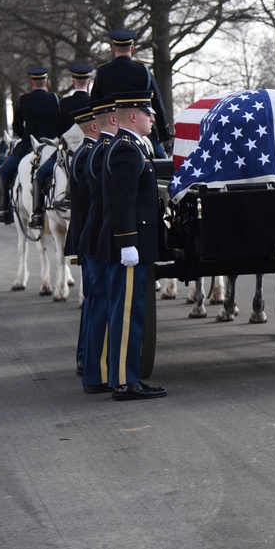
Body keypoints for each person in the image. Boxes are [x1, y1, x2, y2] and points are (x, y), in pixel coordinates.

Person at [98, 92, 166, 400]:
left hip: (134, 245)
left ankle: (126, 378)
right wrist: (127, 243)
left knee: (130, 311)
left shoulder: (132, 147)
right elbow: (121, 202)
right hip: (130, 248)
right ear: (134, 116)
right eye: (148, 113)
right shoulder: (126, 150)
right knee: (127, 313)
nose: (153, 118)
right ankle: (125, 382)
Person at [79, 97, 118, 394]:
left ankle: (94, 371)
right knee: (102, 303)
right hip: (99, 238)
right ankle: (98, 373)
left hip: (91, 236)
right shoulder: (101, 151)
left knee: (96, 303)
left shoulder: (90, 151)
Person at [89, 29, 174, 155]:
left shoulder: (102, 72)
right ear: (132, 48)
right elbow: (157, 103)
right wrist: (165, 135)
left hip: (112, 127)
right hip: (139, 127)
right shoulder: (143, 71)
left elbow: (94, 104)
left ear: (113, 49)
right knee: (163, 166)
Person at [30, 63, 94, 229]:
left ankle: (37, 214)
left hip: (68, 152)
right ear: (89, 81)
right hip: (93, 150)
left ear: (73, 81)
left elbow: (58, 131)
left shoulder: (64, 103)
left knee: (40, 175)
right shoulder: (95, 101)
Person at [0, 67, 60, 225]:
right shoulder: (56, 99)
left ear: (31, 83)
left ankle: (3, 209)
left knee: (3, 172)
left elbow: (17, 127)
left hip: (27, 146)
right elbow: (61, 124)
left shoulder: (22, 100)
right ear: (47, 82)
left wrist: (27, 135)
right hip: (52, 144)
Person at [65, 106, 99, 377]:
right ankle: (87, 358)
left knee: (91, 300)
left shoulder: (82, 153)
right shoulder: (89, 154)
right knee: (94, 301)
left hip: (83, 238)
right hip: (91, 241)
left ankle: (84, 357)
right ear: (95, 126)